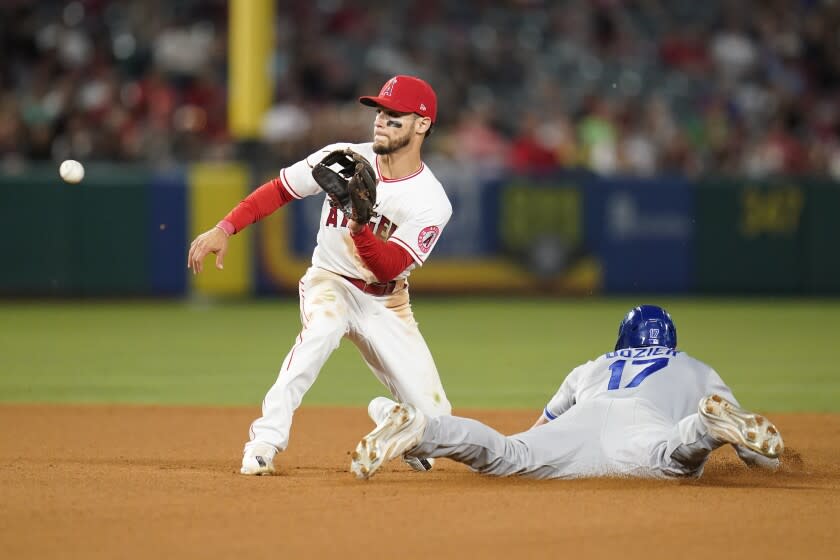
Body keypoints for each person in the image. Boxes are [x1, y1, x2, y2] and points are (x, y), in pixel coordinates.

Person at [187, 75, 453, 475]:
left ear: (422, 125)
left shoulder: (430, 200)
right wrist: (225, 228)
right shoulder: (342, 157)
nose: (380, 121)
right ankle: (264, 441)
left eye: (394, 115)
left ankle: (401, 420)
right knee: (320, 333)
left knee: (441, 422)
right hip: (331, 280)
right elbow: (280, 189)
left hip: (386, 300)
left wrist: (360, 226)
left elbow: (389, 266)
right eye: (379, 111)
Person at [350, 305, 784, 480]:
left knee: (508, 452)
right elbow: (760, 456)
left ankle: (422, 428)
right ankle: (706, 427)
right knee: (673, 459)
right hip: (643, 426)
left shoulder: (594, 365)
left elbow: (540, 427)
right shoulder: (692, 366)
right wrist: (763, 462)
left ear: (622, 339)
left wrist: (530, 446)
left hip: (581, 420)